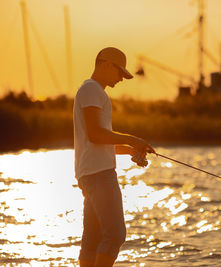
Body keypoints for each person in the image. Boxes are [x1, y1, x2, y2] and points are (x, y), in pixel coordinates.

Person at [73, 47, 155, 267]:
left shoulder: (91, 90)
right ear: (107, 64)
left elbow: (97, 141)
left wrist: (129, 149)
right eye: (120, 73)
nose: (121, 79)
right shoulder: (92, 90)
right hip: (99, 175)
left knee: (92, 240)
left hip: (90, 173)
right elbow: (95, 134)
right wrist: (131, 139)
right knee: (115, 235)